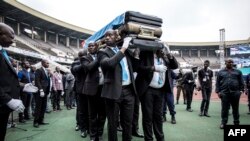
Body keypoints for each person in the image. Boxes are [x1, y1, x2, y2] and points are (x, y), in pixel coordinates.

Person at [98, 29, 139, 141]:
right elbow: (110, 64)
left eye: (110, 35)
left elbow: (135, 68)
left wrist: (136, 55)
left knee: (128, 122)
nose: (107, 38)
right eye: (106, 36)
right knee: (112, 123)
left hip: (129, 91)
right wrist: (124, 47)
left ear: (117, 37)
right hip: (112, 92)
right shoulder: (102, 52)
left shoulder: (125, 52)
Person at [135, 48, 178, 141]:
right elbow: (138, 68)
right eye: (160, 49)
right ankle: (149, 139)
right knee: (148, 116)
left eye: (162, 49)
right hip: (148, 90)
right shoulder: (145, 54)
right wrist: (153, 68)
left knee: (158, 116)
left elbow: (174, 66)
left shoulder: (165, 58)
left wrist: (169, 54)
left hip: (161, 90)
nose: (162, 51)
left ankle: (160, 138)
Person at [0, 23, 24, 141]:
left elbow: (5, 79)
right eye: (10, 36)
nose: (13, 40)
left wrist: (23, 86)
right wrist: (8, 100)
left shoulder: (3, 52)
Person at [82, 41, 106, 141]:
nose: (91, 47)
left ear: (97, 47)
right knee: (92, 115)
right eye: (89, 46)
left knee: (102, 114)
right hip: (91, 90)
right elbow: (89, 67)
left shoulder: (103, 55)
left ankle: (99, 134)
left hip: (104, 89)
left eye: (93, 46)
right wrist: (99, 57)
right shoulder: (84, 58)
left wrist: (101, 55)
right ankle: (93, 135)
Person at [216, 58, 244, 129]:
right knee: (224, 109)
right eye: (229, 62)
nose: (231, 63)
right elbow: (217, 83)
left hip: (235, 93)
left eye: (232, 62)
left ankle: (236, 122)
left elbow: (241, 82)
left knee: (235, 109)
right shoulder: (220, 72)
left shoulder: (238, 72)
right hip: (224, 93)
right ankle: (223, 123)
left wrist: (240, 91)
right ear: (225, 63)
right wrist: (218, 92)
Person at [71, 50, 89, 138]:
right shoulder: (76, 63)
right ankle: (81, 127)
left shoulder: (91, 60)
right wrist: (84, 61)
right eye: (81, 55)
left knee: (90, 110)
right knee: (81, 110)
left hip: (91, 90)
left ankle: (88, 127)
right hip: (80, 90)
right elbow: (75, 70)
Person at [33, 59, 50, 128]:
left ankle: (41, 120)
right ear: (42, 63)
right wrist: (41, 90)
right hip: (40, 92)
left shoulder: (46, 71)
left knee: (43, 107)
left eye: (48, 63)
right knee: (38, 107)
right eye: (47, 63)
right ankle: (36, 121)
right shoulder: (39, 70)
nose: (48, 64)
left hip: (45, 92)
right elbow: (37, 81)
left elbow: (47, 81)